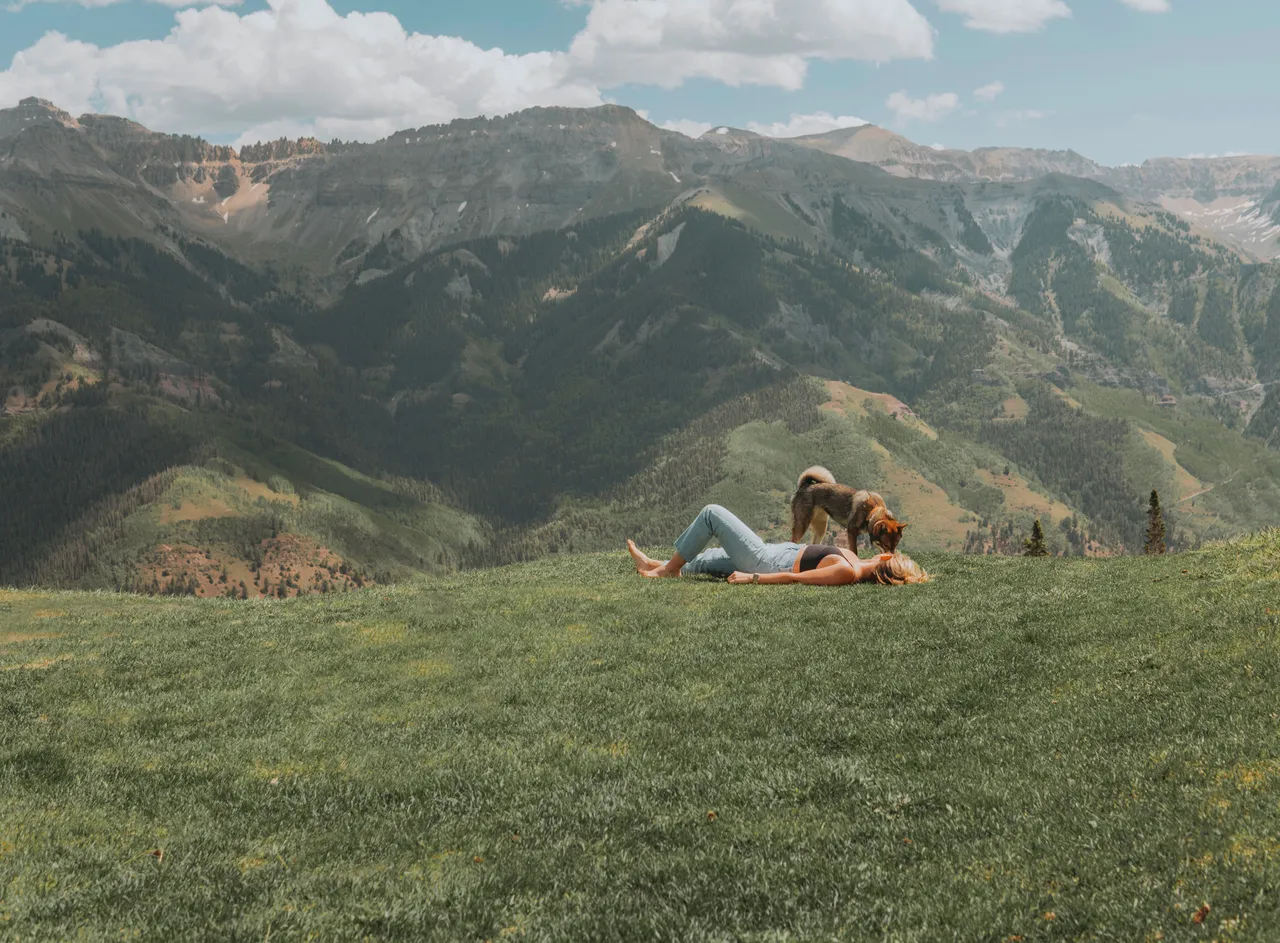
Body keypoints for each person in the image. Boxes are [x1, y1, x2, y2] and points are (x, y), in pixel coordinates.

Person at [627, 504, 929, 586]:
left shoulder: (847, 571)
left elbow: (794, 578)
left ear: (886, 557)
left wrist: (752, 577)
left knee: (712, 514)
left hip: (764, 562)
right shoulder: (854, 560)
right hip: (773, 553)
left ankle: (667, 570)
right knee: (706, 562)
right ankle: (660, 565)